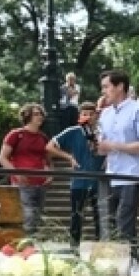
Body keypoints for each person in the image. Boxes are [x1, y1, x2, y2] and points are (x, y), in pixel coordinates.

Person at [97, 69, 139, 261]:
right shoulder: (105, 114)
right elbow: (101, 148)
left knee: (123, 224)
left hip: (133, 176)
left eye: (106, 87)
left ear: (120, 86)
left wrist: (113, 145)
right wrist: (98, 146)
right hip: (111, 175)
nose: (103, 91)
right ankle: (130, 268)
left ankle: (130, 268)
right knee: (115, 226)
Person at [0, 103, 73, 237]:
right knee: (28, 213)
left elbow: (47, 159)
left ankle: (32, 243)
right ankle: (25, 242)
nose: (40, 117)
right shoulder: (16, 134)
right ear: (28, 116)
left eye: (41, 114)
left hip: (40, 182)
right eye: (36, 114)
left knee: (37, 214)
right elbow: (2, 157)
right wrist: (15, 173)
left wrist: (50, 173)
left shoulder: (43, 137)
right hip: (22, 182)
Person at [47, 101, 105, 248]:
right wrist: (69, 157)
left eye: (92, 114)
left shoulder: (102, 132)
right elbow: (49, 146)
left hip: (99, 181)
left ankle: (101, 246)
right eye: (85, 114)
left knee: (101, 216)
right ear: (80, 116)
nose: (89, 117)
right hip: (79, 181)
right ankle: (74, 247)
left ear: (96, 116)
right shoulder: (72, 131)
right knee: (76, 216)